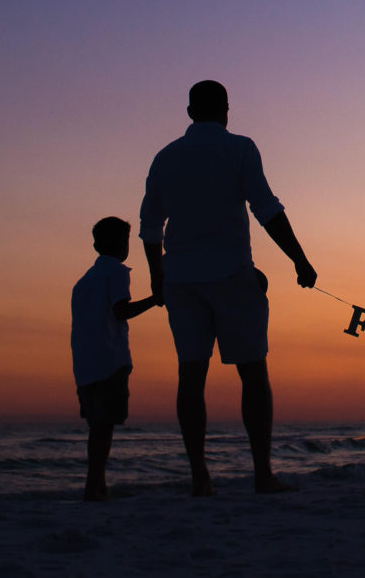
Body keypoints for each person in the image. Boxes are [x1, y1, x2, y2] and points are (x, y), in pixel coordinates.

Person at [140, 80, 317, 496]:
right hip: (231, 274)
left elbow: (150, 227)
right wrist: (299, 259)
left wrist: (156, 277)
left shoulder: (165, 157)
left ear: (189, 112)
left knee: (190, 375)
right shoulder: (240, 148)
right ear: (226, 110)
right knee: (253, 373)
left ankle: (200, 476)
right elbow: (267, 209)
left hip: (181, 278)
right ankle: (262, 473)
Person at [71, 216, 160, 501]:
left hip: (85, 363)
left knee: (96, 426)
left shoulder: (83, 282)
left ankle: (97, 485)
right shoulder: (118, 273)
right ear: (122, 244)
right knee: (104, 426)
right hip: (109, 358)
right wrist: (156, 299)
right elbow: (121, 311)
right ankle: (94, 487)